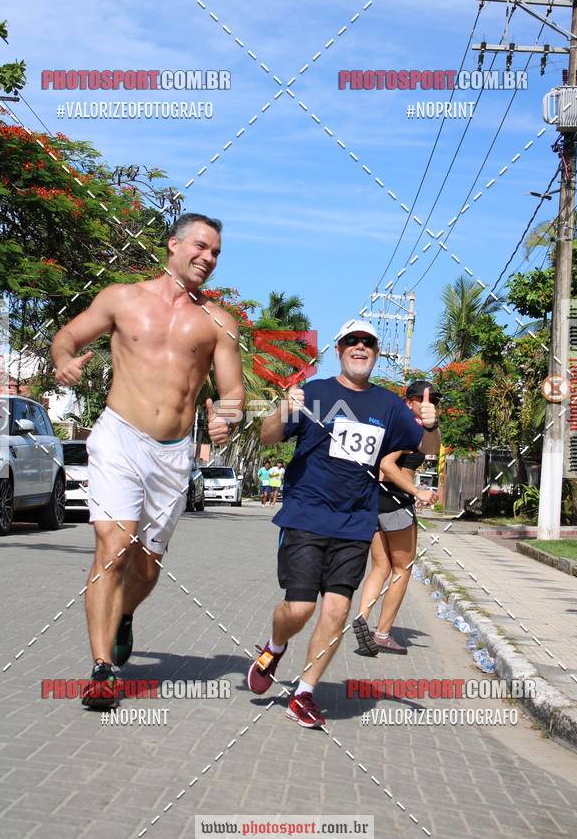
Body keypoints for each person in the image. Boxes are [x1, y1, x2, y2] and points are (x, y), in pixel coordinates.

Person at [51, 213, 245, 708]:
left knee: (148, 567)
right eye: (201, 246)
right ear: (173, 245)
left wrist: (227, 416)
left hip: (174, 452)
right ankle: (101, 669)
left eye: (217, 252)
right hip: (119, 437)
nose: (209, 258)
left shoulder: (220, 321)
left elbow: (233, 392)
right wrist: (63, 362)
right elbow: (68, 337)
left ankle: (124, 615)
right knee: (113, 546)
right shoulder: (122, 298)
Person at [246, 321, 440, 728]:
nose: (359, 347)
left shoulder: (388, 405)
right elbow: (267, 438)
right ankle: (275, 646)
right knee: (299, 609)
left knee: (336, 610)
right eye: (352, 341)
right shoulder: (315, 393)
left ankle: (304, 693)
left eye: (368, 342)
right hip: (306, 515)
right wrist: (284, 407)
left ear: (375, 352)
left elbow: (427, 449)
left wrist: (431, 423)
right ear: (339, 350)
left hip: (355, 522)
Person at [353, 381, 440, 656]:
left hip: (373, 500)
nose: (430, 404)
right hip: (394, 500)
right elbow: (387, 465)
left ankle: (362, 619)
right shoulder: (408, 425)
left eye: (434, 400)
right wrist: (417, 492)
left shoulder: (395, 424)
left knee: (380, 567)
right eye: (423, 399)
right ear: (409, 401)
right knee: (403, 568)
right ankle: (382, 634)